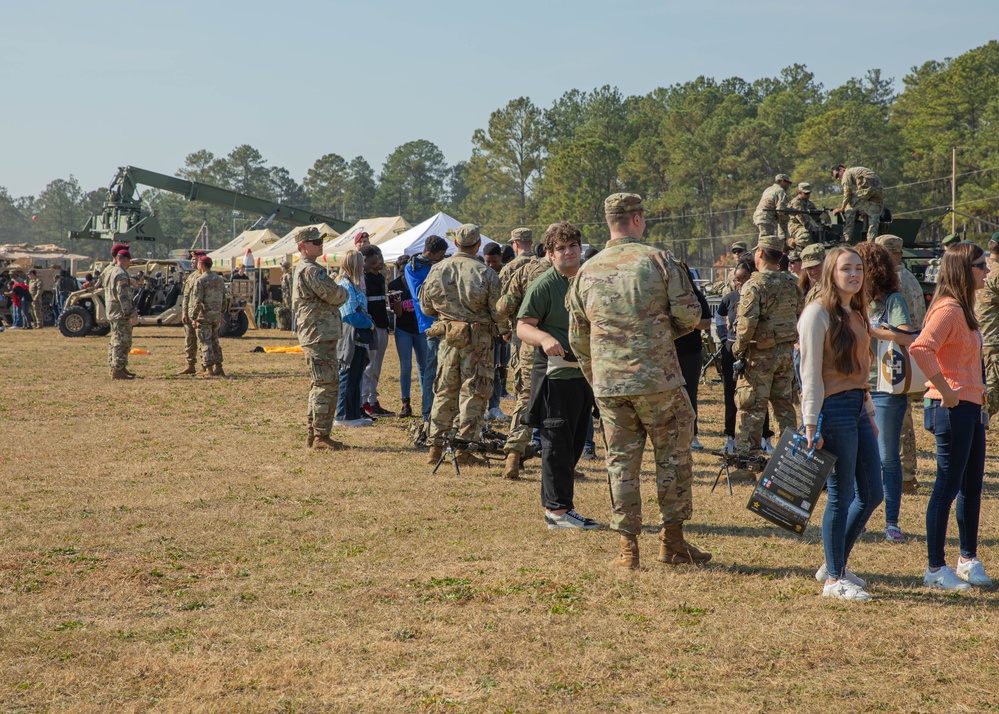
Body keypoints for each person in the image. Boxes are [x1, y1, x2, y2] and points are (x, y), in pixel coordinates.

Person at [568, 192, 710, 570]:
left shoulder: (587, 270)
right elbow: (689, 314)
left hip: (611, 386)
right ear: (636, 219)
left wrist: (598, 376)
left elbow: (578, 337)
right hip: (658, 380)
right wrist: (658, 337)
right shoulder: (658, 259)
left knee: (621, 465)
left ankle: (627, 551)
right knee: (673, 461)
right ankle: (673, 542)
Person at [799, 245, 883, 601]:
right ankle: (833, 580)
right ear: (831, 272)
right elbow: (810, 373)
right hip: (830, 410)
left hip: (857, 407)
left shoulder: (856, 312)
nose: (854, 275)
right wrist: (809, 423)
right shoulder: (817, 313)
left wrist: (868, 407)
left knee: (872, 493)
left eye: (859, 269)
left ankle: (835, 563)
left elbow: (861, 369)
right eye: (846, 268)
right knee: (841, 495)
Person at [910, 242, 992, 591]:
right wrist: (945, 390)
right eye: (981, 265)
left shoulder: (964, 309)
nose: (987, 270)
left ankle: (967, 559)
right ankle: (934, 568)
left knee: (972, 486)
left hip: (971, 407)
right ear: (963, 269)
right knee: (946, 487)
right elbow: (920, 347)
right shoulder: (948, 309)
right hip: (952, 408)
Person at [517, 221, 598, 530]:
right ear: (550, 254)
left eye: (573, 246)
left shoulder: (590, 279)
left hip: (585, 375)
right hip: (555, 376)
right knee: (556, 445)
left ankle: (560, 506)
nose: (568, 252)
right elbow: (522, 325)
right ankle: (557, 511)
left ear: (581, 249)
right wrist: (544, 339)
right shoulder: (544, 284)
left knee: (576, 444)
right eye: (561, 249)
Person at [420, 224, 506, 467]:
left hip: (448, 338)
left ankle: (435, 447)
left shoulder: (437, 270)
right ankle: (464, 450)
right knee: (474, 392)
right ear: (478, 244)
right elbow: (498, 312)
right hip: (478, 340)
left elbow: (426, 307)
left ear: (455, 244)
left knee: (444, 390)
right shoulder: (486, 273)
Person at [856, 242, 914, 543]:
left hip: (886, 389)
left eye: (858, 267)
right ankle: (859, 518)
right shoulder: (853, 301)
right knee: (857, 457)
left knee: (887, 457)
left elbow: (906, 336)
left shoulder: (892, 300)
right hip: (857, 387)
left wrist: (871, 330)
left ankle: (891, 523)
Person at [732, 234, 803, 460]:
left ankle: (746, 460)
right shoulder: (792, 282)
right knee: (785, 408)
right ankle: (790, 459)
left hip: (760, 357)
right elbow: (800, 314)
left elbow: (747, 325)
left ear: (760, 253)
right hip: (785, 354)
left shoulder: (754, 284)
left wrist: (738, 349)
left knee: (751, 408)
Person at [496, 243, 551, 479]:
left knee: (527, 397)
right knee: (567, 400)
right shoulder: (574, 270)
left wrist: (511, 325)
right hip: (567, 342)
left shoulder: (526, 270)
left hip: (530, 342)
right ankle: (563, 461)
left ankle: (514, 455)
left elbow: (503, 305)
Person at [877, 233, 925, 493]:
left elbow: (902, 327)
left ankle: (905, 476)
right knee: (902, 416)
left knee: (901, 420)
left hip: (897, 354)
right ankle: (905, 473)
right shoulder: (909, 278)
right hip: (907, 353)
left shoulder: (897, 283)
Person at [293, 227, 349, 450]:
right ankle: (320, 437)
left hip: (316, 332)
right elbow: (336, 296)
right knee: (326, 384)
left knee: (320, 383)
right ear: (302, 246)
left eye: (320, 240)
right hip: (319, 333)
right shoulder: (312, 271)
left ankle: (314, 433)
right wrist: (343, 290)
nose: (320, 244)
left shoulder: (306, 268)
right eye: (315, 242)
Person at [405, 236, 449, 425]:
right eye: (439, 256)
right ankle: (427, 413)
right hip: (429, 324)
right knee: (430, 368)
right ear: (430, 254)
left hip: (447, 321)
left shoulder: (439, 264)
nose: (440, 259)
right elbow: (418, 293)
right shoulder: (413, 267)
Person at [715, 262, 753, 454]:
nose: (740, 283)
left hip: (752, 353)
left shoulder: (757, 296)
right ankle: (730, 436)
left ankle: (763, 438)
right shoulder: (730, 298)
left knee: (754, 396)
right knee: (730, 394)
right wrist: (723, 338)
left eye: (744, 278)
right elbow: (719, 316)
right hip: (730, 351)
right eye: (737, 279)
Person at [674, 264, 712, 450]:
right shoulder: (664, 297)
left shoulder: (696, 296)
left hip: (690, 354)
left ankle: (692, 435)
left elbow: (707, 322)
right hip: (667, 354)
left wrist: (690, 322)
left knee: (689, 396)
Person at [336, 250, 375, 428]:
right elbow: (349, 315)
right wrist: (369, 324)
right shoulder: (346, 286)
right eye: (361, 263)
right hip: (349, 336)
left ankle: (352, 414)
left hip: (358, 338)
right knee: (347, 374)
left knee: (356, 374)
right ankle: (343, 414)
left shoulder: (355, 284)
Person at [389, 254, 425, 420]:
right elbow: (398, 313)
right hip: (403, 329)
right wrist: (397, 301)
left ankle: (427, 402)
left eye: (407, 271)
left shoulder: (418, 282)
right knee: (406, 366)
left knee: (423, 366)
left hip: (421, 329)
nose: (404, 275)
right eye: (402, 271)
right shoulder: (394, 285)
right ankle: (405, 403)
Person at [360, 245, 394, 418]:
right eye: (377, 258)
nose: (381, 260)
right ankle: (364, 401)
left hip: (382, 325)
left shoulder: (380, 277)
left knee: (377, 366)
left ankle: (373, 400)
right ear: (366, 261)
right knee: (368, 366)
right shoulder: (362, 279)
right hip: (370, 327)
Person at [483, 242, 510, 420]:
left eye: (494, 260)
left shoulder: (507, 274)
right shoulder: (482, 273)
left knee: (500, 369)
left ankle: (495, 406)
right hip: (486, 331)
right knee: (486, 370)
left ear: (500, 257)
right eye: (488, 261)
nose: (491, 264)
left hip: (503, 330)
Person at [976, 232, 999, 418]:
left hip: (977, 338)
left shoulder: (980, 268)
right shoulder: (997, 272)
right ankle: (979, 424)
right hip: (993, 341)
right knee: (992, 391)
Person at [106, 248, 138, 380]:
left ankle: (118, 367)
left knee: (115, 340)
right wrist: (130, 313)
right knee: (121, 341)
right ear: (125, 260)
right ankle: (117, 369)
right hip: (120, 313)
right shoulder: (121, 274)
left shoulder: (111, 271)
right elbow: (123, 296)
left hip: (113, 311)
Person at [191, 256, 226, 377]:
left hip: (205, 316)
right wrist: (221, 313)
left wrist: (193, 317)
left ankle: (208, 369)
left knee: (205, 342)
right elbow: (224, 298)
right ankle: (219, 367)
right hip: (216, 316)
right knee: (215, 341)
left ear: (201, 265)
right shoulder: (219, 279)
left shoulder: (201, 280)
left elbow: (197, 301)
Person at [831, 164, 884, 242]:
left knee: (849, 207)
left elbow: (847, 192)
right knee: (874, 218)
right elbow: (864, 196)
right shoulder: (858, 170)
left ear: (841, 169)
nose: (839, 178)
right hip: (878, 190)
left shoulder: (847, 173)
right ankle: (871, 242)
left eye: (837, 175)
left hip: (867, 188)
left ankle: (846, 238)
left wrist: (842, 208)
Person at [178, 251, 207, 375]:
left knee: (203, 341)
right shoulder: (191, 277)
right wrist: (184, 313)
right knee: (189, 341)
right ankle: (190, 365)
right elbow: (186, 296)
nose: (192, 262)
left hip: (201, 315)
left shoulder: (205, 277)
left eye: (194, 259)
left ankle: (205, 365)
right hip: (190, 314)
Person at [752, 174, 792, 243]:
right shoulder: (780, 190)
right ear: (783, 181)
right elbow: (780, 210)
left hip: (759, 215)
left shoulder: (768, 189)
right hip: (766, 217)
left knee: (764, 238)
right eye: (788, 183)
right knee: (767, 241)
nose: (788, 185)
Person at [786, 182, 822, 249]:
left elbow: (816, 215)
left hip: (805, 225)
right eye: (806, 193)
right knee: (805, 235)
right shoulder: (796, 202)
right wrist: (811, 228)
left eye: (809, 193)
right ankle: (793, 241)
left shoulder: (809, 203)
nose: (808, 195)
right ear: (799, 192)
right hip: (794, 225)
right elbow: (801, 216)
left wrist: (821, 224)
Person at [277, 259, 294, 331]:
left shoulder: (288, 276)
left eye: (282, 267)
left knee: (290, 311)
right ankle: (286, 325)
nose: (281, 268)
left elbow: (291, 287)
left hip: (288, 297)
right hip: (284, 296)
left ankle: (291, 325)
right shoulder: (284, 276)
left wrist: (292, 296)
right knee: (285, 311)